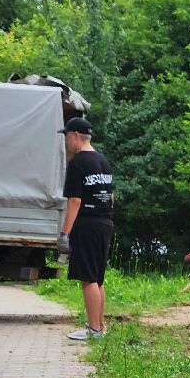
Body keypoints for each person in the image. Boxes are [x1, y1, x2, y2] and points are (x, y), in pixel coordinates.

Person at [57, 116, 115, 342]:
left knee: (88, 278)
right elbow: (111, 197)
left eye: (66, 136)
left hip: (87, 224)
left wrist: (65, 233)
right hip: (105, 223)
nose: (65, 142)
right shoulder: (103, 160)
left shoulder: (78, 163)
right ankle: (100, 326)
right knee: (97, 278)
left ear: (74, 136)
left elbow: (75, 201)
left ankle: (93, 330)